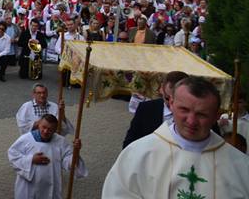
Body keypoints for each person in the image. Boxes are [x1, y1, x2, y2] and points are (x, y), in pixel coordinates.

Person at [104, 76, 249, 197]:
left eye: (201, 114)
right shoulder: (138, 154)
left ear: (216, 116)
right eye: (184, 110)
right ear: (171, 104)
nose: (191, 121)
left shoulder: (239, 164)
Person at [8, 114, 87, 199]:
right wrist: (31, 160)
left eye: (50, 129)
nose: (45, 131)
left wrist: (76, 151)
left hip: (51, 189)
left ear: (55, 130)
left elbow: (69, 162)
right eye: (44, 127)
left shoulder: (60, 142)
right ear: (39, 125)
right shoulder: (26, 139)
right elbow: (13, 155)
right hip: (28, 188)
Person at [121, 70, 189, 149]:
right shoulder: (146, 108)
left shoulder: (195, 115)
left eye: (177, 99)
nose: (172, 104)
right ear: (161, 89)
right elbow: (129, 143)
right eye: (167, 98)